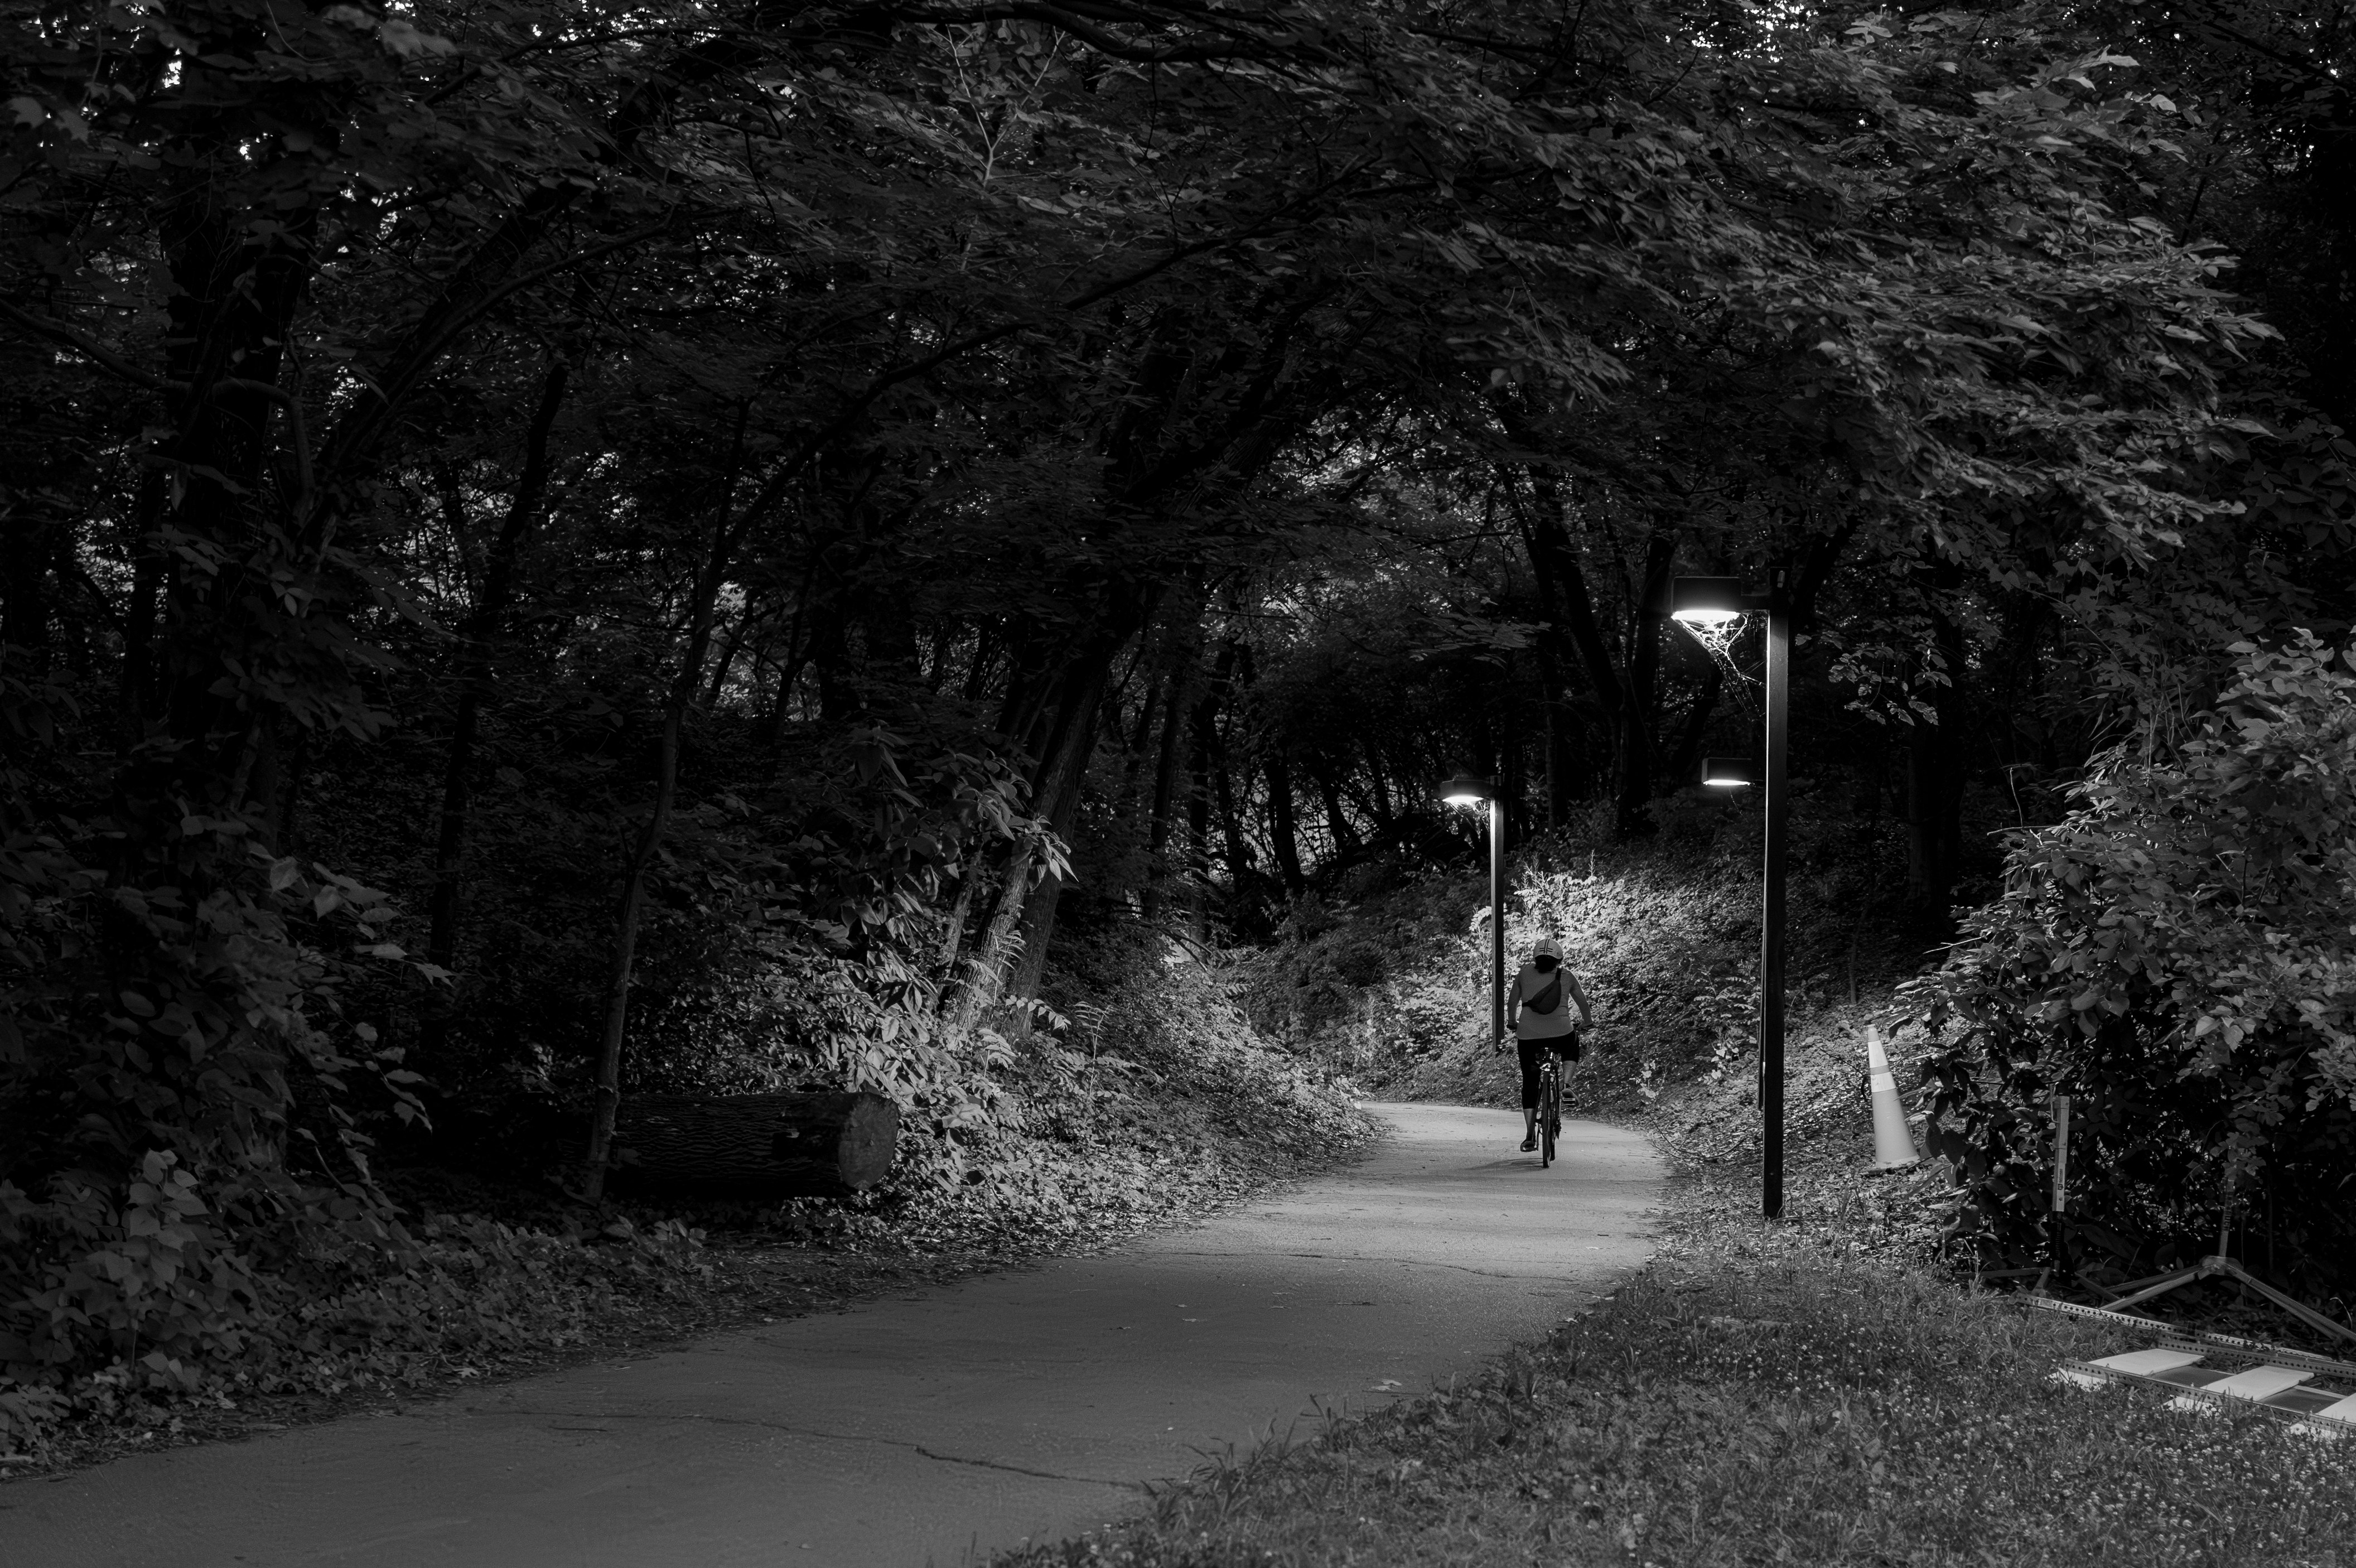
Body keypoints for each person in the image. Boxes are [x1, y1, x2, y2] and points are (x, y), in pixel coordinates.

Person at [1501, 935, 1594, 1152]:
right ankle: (1567, 1085)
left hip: (1528, 1035)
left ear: (1535, 958)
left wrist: (1513, 1022)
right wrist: (1587, 1023)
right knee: (1572, 1041)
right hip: (1561, 1032)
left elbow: (1512, 1001)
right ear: (1558, 960)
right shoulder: (1567, 976)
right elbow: (1582, 1001)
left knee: (1530, 1082)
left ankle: (1529, 1135)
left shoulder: (1524, 973)